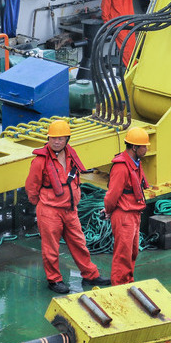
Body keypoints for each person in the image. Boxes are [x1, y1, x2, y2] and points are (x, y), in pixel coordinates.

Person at [24, 120, 110, 294]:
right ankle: (54, 280)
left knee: (79, 243)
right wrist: (43, 204)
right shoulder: (40, 162)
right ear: (48, 139)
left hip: (70, 209)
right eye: (53, 138)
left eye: (60, 138)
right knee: (51, 248)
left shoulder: (71, 155)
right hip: (49, 211)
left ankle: (90, 275)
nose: (56, 142)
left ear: (67, 140)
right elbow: (31, 188)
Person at [104, 127, 149, 285]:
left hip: (134, 214)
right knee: (122, 255)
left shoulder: (135, 163)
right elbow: (112, 195)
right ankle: (118, 286)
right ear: (134, 148)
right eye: (144, 146)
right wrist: (109, 211)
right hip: (124, 215)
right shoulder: (121, 167)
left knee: (132, 252)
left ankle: (128, 282)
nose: (147, 149)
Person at [101, 0, 138, 66]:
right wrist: (107, 24)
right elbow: (105, 8)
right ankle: (131, 68)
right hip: (119, 24)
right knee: (126, 48)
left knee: (132, 47)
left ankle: (133, 66)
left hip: (129, 22)